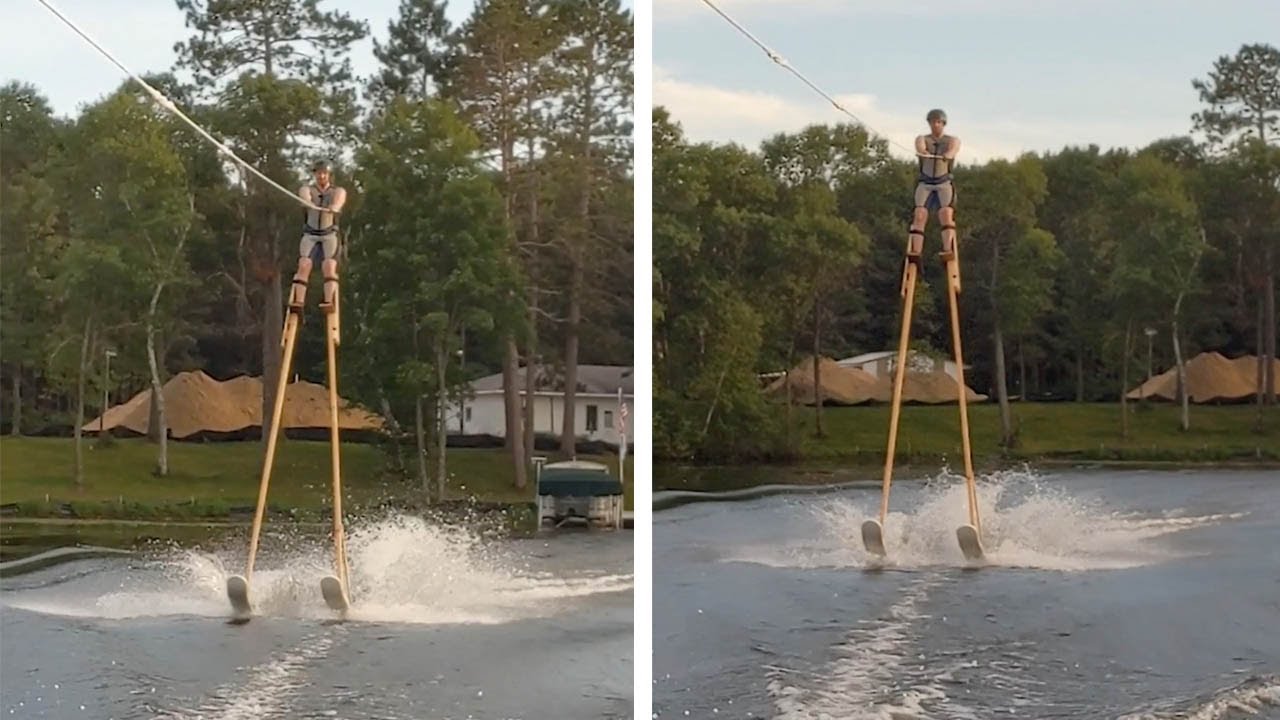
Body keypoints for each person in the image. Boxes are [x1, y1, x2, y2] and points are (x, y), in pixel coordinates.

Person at [291, 159, 347, 310]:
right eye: (319, 173)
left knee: (329, 265)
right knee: (304, 264)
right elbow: (304, 198)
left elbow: (339, 200)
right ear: (315, 174)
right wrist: (309, 204)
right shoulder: (307, 189)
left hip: (329, 235)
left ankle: (329, 301)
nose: (322, 176)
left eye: (324, 173)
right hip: (310, 234)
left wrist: (334, 207)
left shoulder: (337, 191)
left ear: (329, 175)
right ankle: (299, 302)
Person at [908, 109, 961, 263]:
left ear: (943, 124)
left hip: (943, 182)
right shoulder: (922, 138)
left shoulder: (952, 140)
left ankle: (947, 249)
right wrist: (923, 152)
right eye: (932, 122)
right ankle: (916, 251)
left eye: (938, 122)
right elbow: (920, 147)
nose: (935, 125)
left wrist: (949, 154)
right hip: (925, 183)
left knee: (945, 213)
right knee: (919, 214)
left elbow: (953, 149)